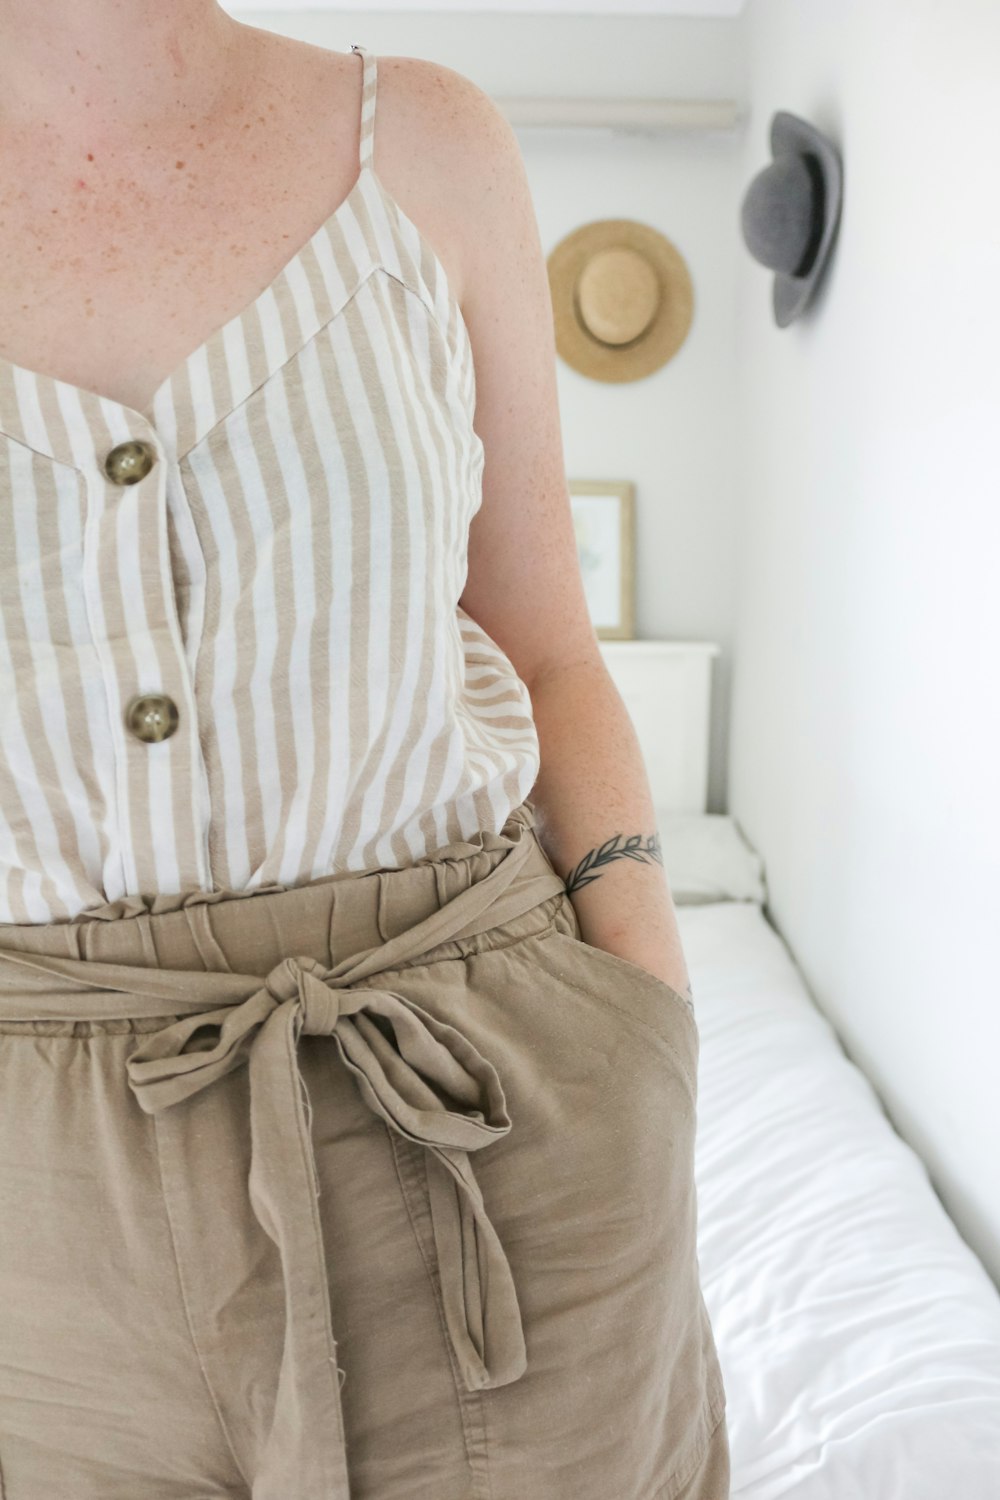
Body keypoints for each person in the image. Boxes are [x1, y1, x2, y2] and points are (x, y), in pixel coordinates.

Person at [0, 3, 730, 1496]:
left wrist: (647, 1022)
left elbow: (546, 650)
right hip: (38, 1219)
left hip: (493, 1106)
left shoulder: (427, 145)